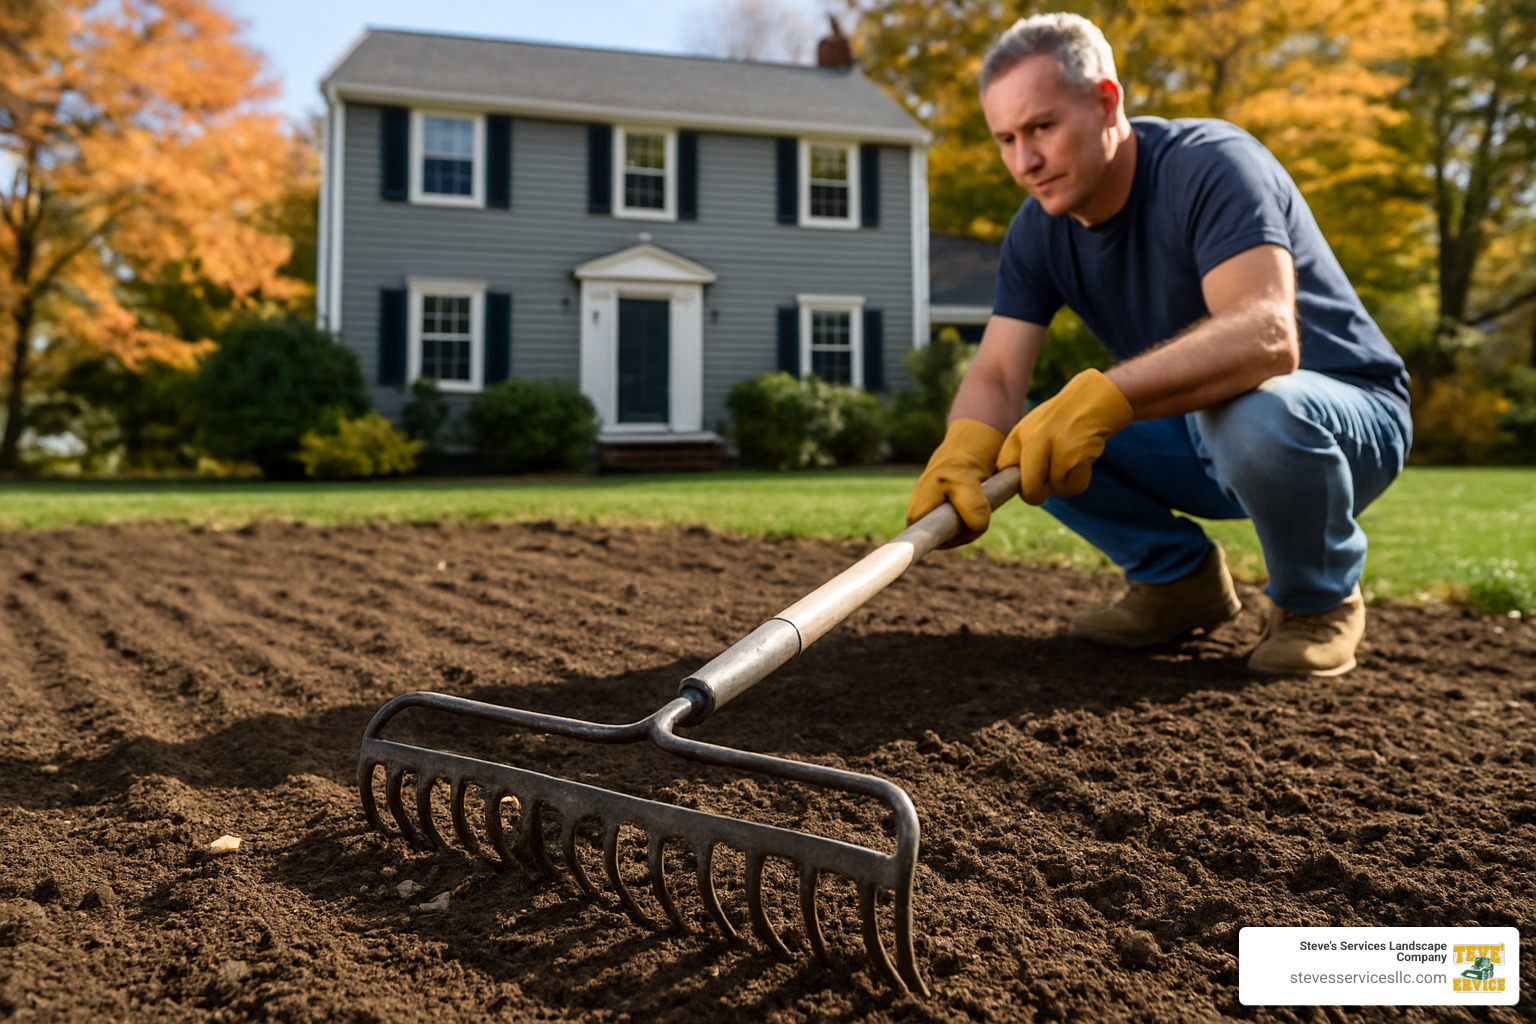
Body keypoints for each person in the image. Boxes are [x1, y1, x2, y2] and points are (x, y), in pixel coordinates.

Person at [906, 12, 1412, 677]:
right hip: (1204, 431)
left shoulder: (1211, 165)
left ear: (1106, 102)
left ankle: (1319, 602)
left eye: (1041, 128)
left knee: (1252, 412)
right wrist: (963, 447)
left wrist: (1107, 394)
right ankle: (1177, 582)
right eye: (1005, 139)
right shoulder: (1037, 231)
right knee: (1028, 437)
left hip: (1342, 419)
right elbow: (998, 376)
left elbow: (1266, 336)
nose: (1023, 161)